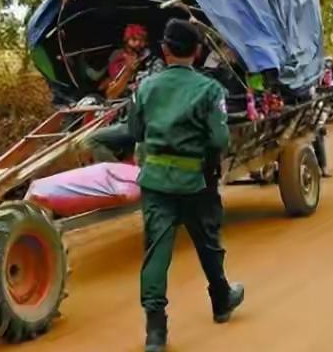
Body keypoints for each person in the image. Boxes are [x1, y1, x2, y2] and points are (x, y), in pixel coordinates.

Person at [129, 19, 244, 352]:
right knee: (208, 243)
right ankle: (221, 301)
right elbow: (220, 139)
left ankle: (155, 333)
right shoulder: (211, 90)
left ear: (164, 50)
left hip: (155, 183)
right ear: (197, 51)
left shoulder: (145, 88)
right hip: (197, 183)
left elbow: (135, 131)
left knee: (156, 254)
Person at [84, 24, 165, 163]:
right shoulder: (121, 63)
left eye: (141, 40)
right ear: (126, 42)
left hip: (147, 118)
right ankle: (118, 174)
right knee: (90, 141)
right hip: (124, 119)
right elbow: (111, 95)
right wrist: (128, 71)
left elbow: (156, 91)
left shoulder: (155, 63)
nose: (138, 44)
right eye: (133, 39)